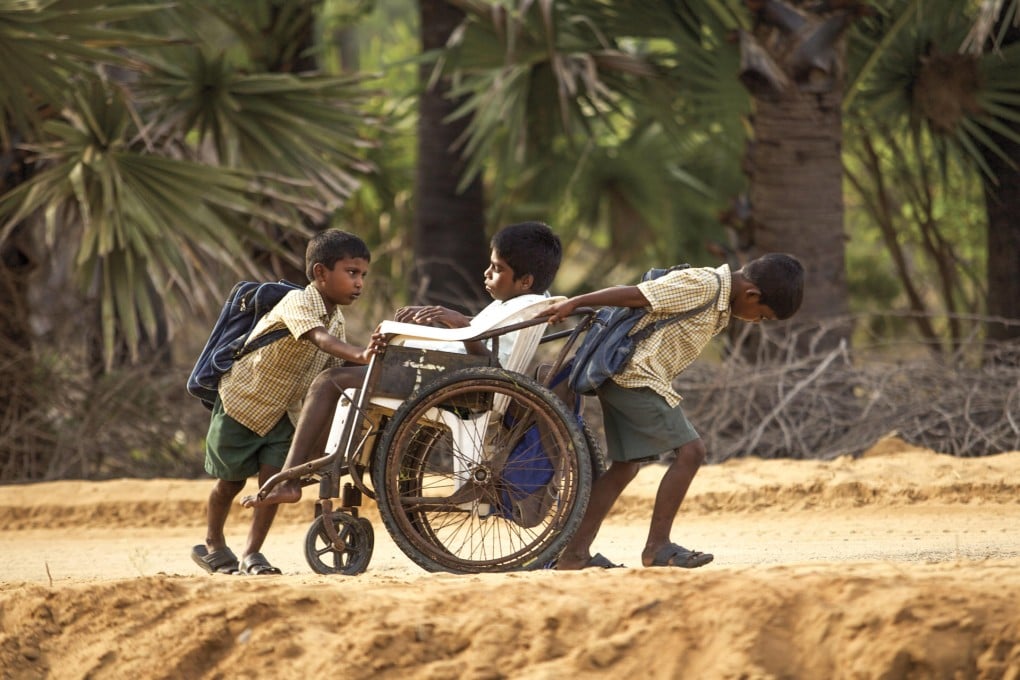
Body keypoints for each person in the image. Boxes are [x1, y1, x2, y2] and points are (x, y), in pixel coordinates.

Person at [240, 220, 564, 508]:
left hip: (461, 382)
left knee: (331, 381)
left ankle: (292, 478)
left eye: (496, 268)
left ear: (524, 280)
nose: (487, 273)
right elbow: (491, 335)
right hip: (457, 376)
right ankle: (325, 461)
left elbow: (488, 359)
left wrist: (456, 323)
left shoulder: (520, 304)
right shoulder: (529, 300)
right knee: (351, 379)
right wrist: (443, 319)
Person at [536, 253, 804, 570]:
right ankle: (658, 547)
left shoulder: (719, 300)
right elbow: (636, 294)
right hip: (633, 377)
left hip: (633, 378)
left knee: (626, 466)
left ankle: (574, 555)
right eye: (762, 317)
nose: (757, 322)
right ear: (752, 295)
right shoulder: (704, 284)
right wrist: (575, 302)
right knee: (691, 451)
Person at [192, 229, 382, 576]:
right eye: (351, 273)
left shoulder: (336, 318)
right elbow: (319, 339)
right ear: (321, 273)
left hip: (284, 413)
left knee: (275, 482)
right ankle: (213, 543)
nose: (359, 283)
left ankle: (252, 553)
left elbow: (335, 368)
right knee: (229, 482)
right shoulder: (296, 303)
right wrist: (361, 352)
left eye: (363, 275)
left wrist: (378, 362)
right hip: (242, 404)